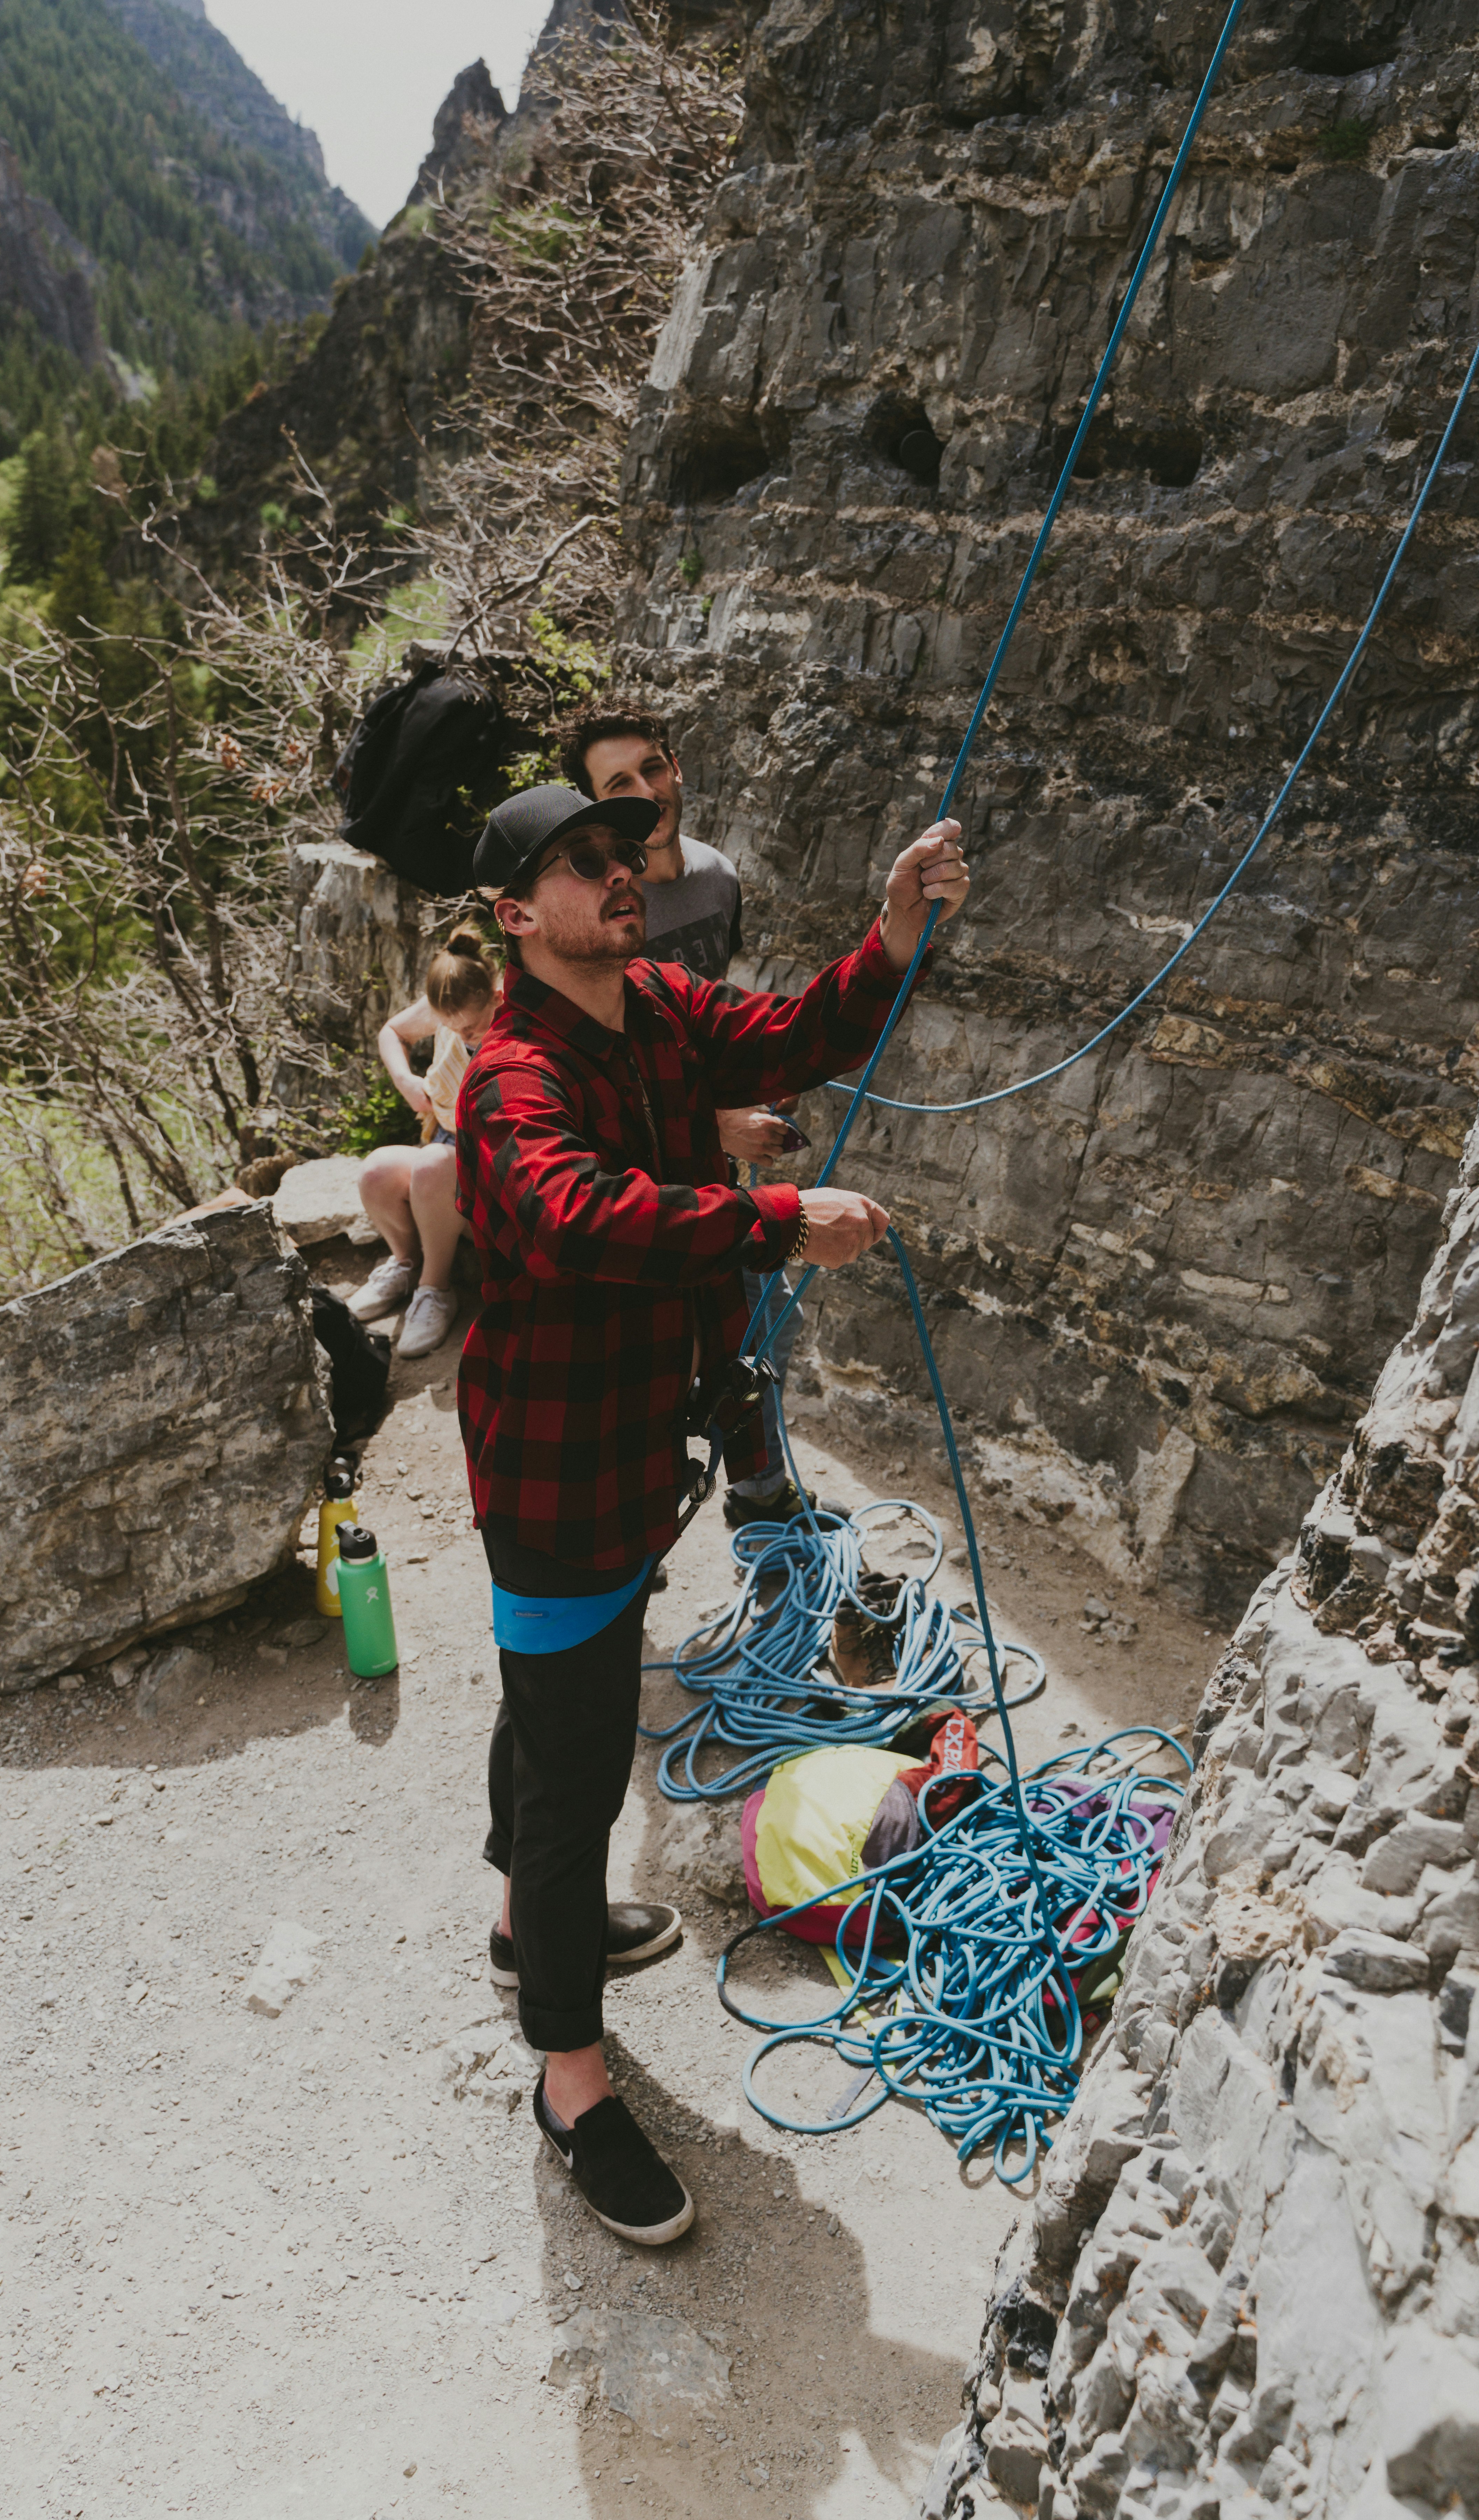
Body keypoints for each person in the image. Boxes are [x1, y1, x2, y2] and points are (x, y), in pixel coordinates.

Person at [454, 777, 969, 2244]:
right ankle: (567, 2071)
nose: (621, 877)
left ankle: (516, 1927)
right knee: (574, 1772)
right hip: (555, 1477)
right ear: (514, 913)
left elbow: (802, 1032)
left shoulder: (661, 1010)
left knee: (559, 1703)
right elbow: (578, 1214)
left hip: (626, 1464)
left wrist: (889, 931)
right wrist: (775, 1220)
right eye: (581, 865)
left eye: (625, 857)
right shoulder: (510, 1077)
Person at [559, 698, 808, 1528]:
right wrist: (717, 1125)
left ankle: (759, 1499)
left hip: (704, 1163)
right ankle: (638, 1527)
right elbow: (587, 1079)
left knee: (755, 1324)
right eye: (619, 782)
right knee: (655, 1354)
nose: (649, 791)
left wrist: (754, 1079)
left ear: (677, 766)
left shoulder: (715, 876)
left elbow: (696, 1027)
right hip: (627, 1184)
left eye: (653, 767)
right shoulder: (597, 912)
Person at [349, 925, 503, 1359]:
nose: (463, 1035)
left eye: (472, 1027)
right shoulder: (451, 1006)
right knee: (376, 1171)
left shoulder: (519, 1009)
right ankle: (404, 1261)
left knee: (435, 1162)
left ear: (495, 995)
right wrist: (405, 1080)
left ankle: (435, 1289)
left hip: (497, 1174)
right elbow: (392, 1032)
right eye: (451, 1026)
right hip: (446, 1144)